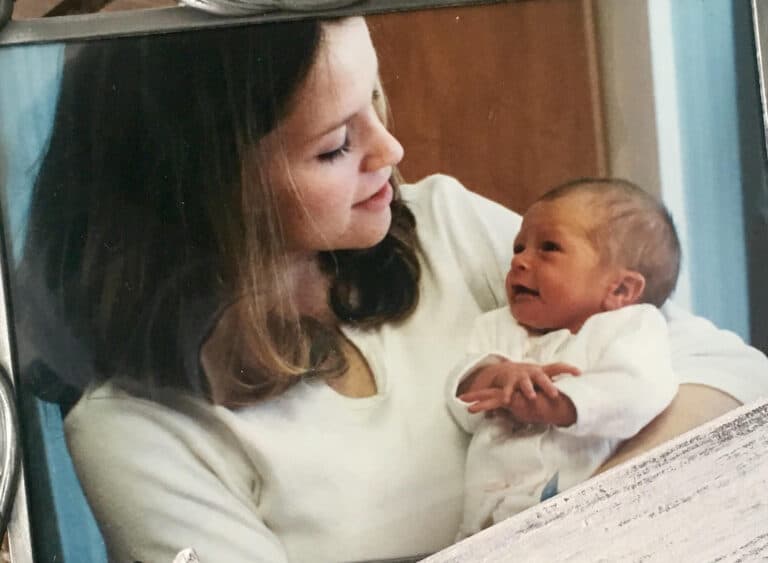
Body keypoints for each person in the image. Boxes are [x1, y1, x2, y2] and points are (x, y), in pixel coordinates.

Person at [14, 15, 768, 563]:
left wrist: (567, 526)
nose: (392, 149)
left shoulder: (447, 225)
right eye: (336, 144)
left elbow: (733, 375)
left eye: (376, 101)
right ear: (206, 187)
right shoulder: (137, 431)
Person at [446, 178, 681, 538]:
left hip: (585, 529)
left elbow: (640, 389)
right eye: (519, 247)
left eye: (548, 248)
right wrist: (494, 376)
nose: (520, 261)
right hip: (484, 527)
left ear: (620, 289)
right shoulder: (498, 326)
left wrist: (560, 405)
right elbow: (462, 391)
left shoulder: (629, 327)